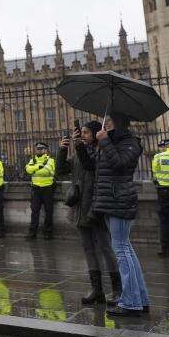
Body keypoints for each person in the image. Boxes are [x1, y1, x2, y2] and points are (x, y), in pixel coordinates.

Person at [92, 112, 149, 317]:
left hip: (120, 200)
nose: (105, 126)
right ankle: (140, 298)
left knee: (122, 250)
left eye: (108, 122)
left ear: (117, 123)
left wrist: (105, 142)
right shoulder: (115, 142)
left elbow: (120, 165)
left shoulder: (131, 143)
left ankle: (131, 302)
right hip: (112, 200)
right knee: (126, 249)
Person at [58, 121, 120, 306]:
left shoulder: (100, 153)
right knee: (88, 249)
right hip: (80, 208)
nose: (82, 135)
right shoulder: (79, 153)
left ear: (94, 134)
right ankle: (97, 289)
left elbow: (90, 165)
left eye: (86, 132)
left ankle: (117, 289)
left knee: (106, 248)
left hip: (96, 206)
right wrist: (63, 149)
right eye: (81, 132)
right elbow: (60, 171)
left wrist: (78, 146)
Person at [24, 142, 56, 239]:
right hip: (36, 189)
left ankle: (48, 233)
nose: (39, 150)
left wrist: (34, 169)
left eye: (42, 149)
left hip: (47, 188)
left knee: (48, 211)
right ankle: (32, 233)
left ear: (46, 150)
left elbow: (47, 171)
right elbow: (28, 170)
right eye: (38, 149)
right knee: (34, 211)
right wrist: (39, 167)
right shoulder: (33, 160)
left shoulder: (50, 160)